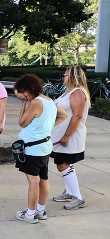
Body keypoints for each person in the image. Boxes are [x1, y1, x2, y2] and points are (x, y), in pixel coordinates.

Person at [14, 74, 67, 224]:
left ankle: (30, 214)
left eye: (23, 92)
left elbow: (22, 122)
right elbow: (64, 115)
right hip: (44, 146)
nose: (22, 95)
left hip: (32, 148)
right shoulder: (49, 101)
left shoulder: (36, 102)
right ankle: (40, 210)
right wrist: (46, 127)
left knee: (33, 181)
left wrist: (23, 103)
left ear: (30, 89)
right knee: (43, 179)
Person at [51, 66, 91, 210]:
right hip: (60, 134)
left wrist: (66, 135)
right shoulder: (68, 92)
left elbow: (77, 116)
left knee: (62, 164)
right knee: (66, 163)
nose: (63, 77)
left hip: (70, 136)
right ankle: (69, 192)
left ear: (73, 76)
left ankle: (78, 197)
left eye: (65, 75)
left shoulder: (78, 92)